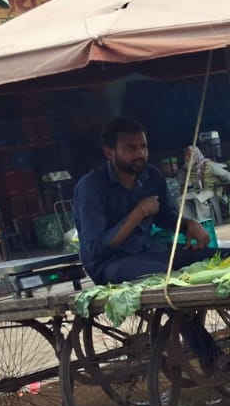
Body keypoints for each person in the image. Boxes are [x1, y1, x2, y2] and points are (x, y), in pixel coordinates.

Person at [73, 118, 214, 285]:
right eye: (131, 148)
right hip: (111, 264)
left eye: (143, 147)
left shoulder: (151, 176)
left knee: (220, 257)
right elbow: (98, 247)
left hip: (150, 251)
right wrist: (140, 212)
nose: (140, 154)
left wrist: (187, 224)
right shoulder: (90, 188)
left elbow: (166, 216)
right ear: (109, 152)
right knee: (167, 276)